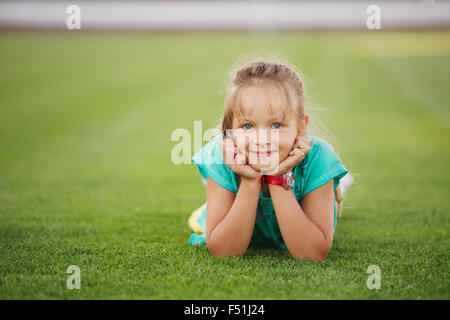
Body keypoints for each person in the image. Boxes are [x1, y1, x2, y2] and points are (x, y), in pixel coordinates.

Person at [188, 57, 353, 261]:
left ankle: (338, 184)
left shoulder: (319, 157)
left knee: (324, 186)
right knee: (217, 194)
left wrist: (278, 177)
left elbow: (313, 254)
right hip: (235, 179)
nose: (262, 139)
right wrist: (249, 182)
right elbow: (224, 252)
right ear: (230, 130)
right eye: (247, 126)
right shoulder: (220, 155)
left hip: (303, 181)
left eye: (276, 125)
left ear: (301, 126)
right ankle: (215, 191)